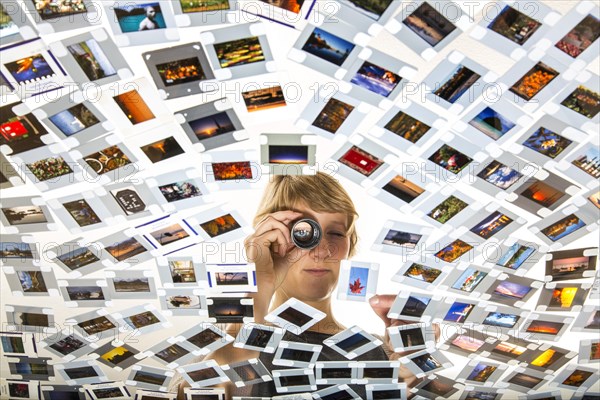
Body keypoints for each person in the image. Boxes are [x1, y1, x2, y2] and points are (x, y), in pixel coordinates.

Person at [174, 173, 435, 398]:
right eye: (303, 233)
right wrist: (260, 284)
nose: (322, 251)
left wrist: (413, 370)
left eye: (335, 233)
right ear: (268, 239)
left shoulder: (380, 352)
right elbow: (211, 389)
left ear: (350, 244)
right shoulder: (224, 338)